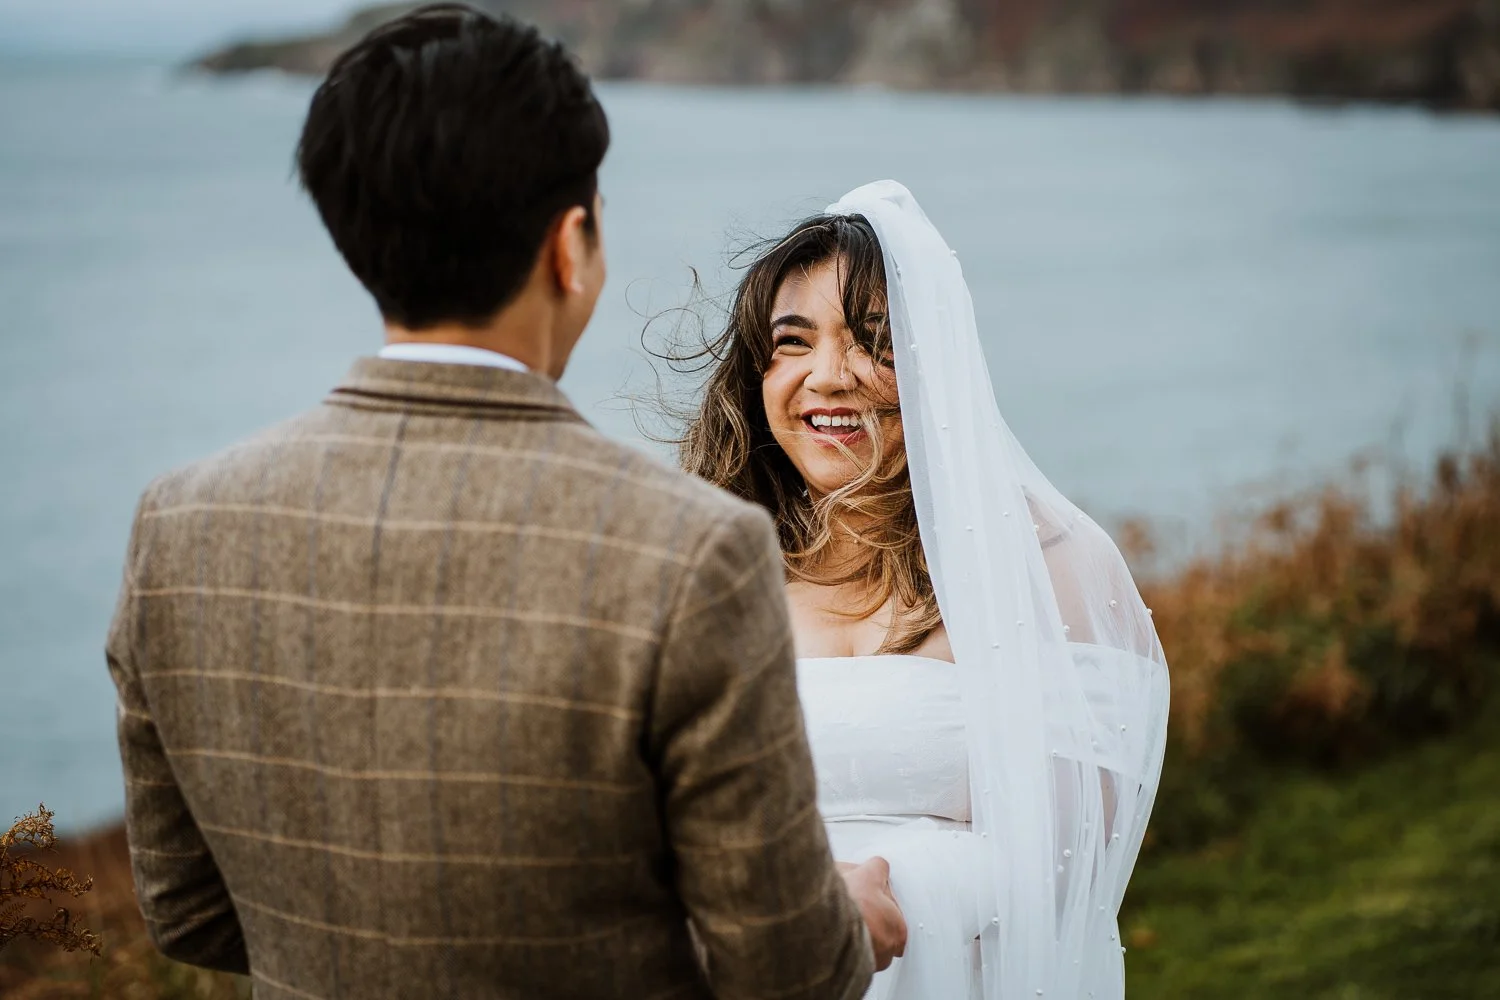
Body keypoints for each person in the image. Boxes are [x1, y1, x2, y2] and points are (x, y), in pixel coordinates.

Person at [103, 7, 904, 998]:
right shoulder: (693, 549)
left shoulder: (177, 525)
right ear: (571, 246)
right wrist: (853, 920)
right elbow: (785, 968)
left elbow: (184, 906)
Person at [673, 180, 1171, 998]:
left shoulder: (1052, 565)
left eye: (874, 341)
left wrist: (865, 902)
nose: (827, 378)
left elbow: (1075, 854)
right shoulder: (711, 570)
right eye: (791, 344)